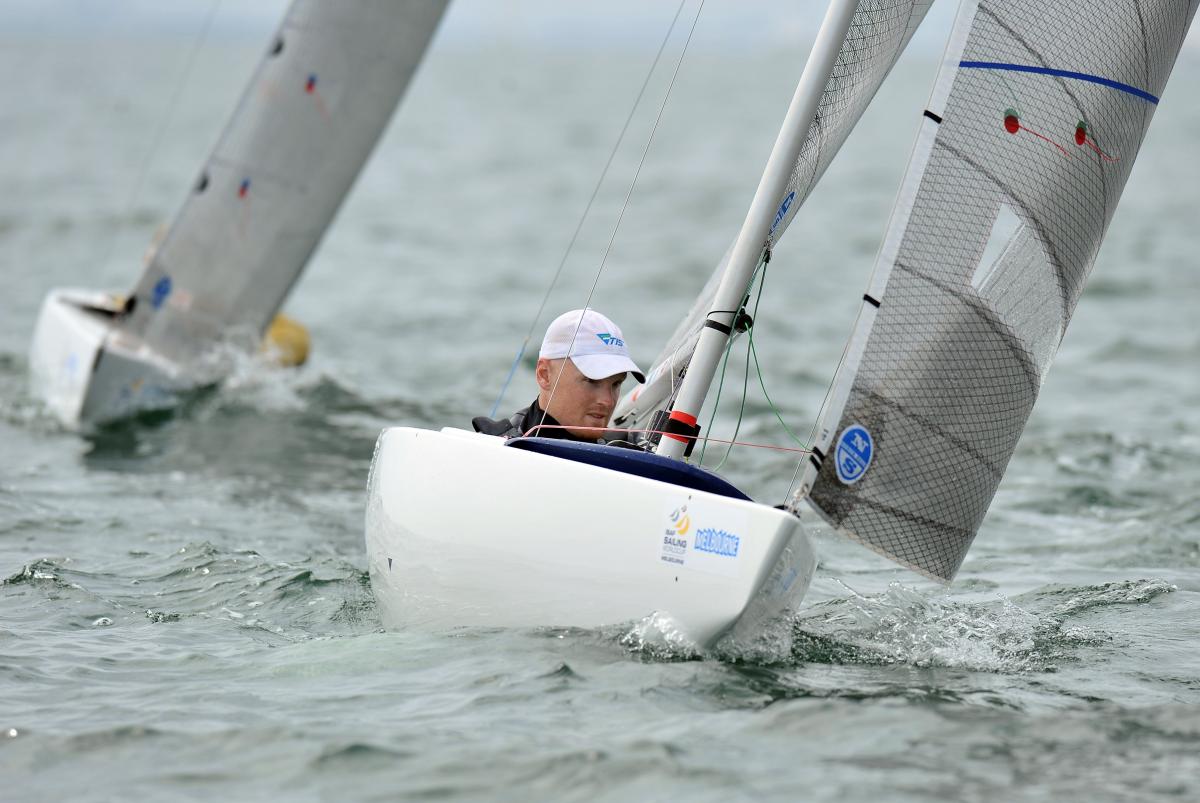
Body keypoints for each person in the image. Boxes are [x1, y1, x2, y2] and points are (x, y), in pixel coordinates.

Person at [473, 309, 645, 442]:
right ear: (544, 375)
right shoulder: (490, 449)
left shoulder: (638, 451)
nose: (607, 401)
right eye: (592, 381)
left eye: (616, 384)